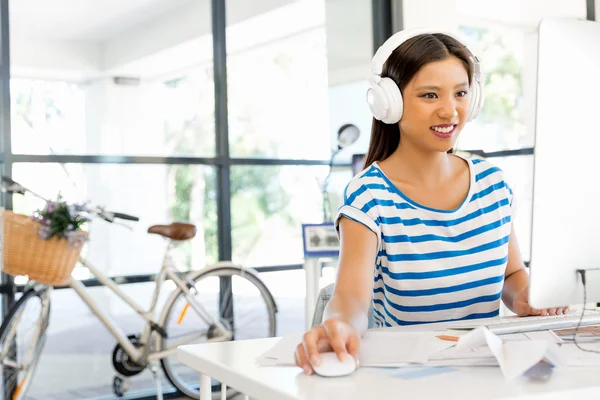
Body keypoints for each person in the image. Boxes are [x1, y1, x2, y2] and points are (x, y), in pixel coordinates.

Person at [294, 28, 568, 376]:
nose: (450, 111)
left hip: (487, 375)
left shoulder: (492, 184)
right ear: (388, 102)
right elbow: (351, 297)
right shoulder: (370, 196)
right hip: (406, 379)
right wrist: (341, 324)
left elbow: (512, 275)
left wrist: (526, 295)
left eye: (461, 93)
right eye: (429, 95)